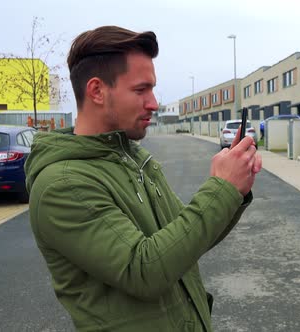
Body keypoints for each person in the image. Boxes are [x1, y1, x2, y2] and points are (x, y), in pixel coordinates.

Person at [25, 26, 262, 331]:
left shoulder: (133, 159)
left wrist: (235, 191)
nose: (154, 102)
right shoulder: (63, 185)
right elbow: (143, 271)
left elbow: (187, 241)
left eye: (152, 89)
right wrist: (222, 188)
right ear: (97, 90)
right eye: (141, 90)